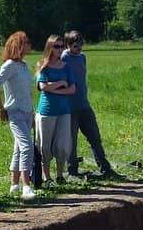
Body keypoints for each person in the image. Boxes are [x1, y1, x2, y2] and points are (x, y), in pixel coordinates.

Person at [61, 29, 122, 179]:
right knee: (71, 141)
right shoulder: (64, 58)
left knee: (95, 137)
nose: (79, 47)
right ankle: (72, 172)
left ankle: (106, 169)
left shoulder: (82, 57)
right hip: (70, 107)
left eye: (81, 43)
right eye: (75, 45)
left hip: (84, 105)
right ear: (67, 45)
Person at [0, 31, 36, 200]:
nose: (29, 45)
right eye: (26, 42)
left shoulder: (24, 65)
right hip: (15, 112)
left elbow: (27, 91)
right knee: (27, 146)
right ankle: (27, 186)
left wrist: (31, 113)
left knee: (19, 148)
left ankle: (14, 185)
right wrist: (1, 108)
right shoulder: (9, 65)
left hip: (26, 112)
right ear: (18, 46)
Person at [35, 34, 76, 185]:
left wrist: (55, 88)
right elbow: (43, 86)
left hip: (64, 111)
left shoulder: (66, 67)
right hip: (46, 112)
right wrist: (61, 83)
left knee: (63, 145)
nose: (60, 50)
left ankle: (60, 175)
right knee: (45, 146)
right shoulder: (43, 66)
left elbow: (72, 89)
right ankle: (47, 177)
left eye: (61, 46)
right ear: (49, 48)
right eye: (56, 46)